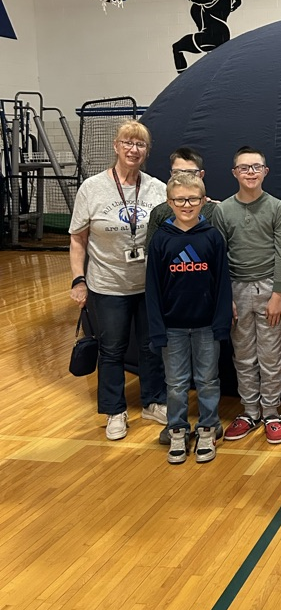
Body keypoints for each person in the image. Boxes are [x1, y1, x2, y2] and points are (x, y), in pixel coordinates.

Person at [69, 121, 168, 440]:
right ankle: (114, 410)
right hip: (107, 285)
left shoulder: (156, 187)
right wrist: (78, 280)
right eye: (128, 142)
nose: (133, 149)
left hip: (148, 285)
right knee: (111, 349)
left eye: (140, 145)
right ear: (115, 146)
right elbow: (77, 239)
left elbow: (182, 213)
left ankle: (153, 401)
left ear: (146, 152)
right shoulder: (92, 188)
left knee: (152, 346)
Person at [146, 172, 233, 465]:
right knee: (176, 382)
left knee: (208, 380)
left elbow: (223, 285)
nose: (187, 205)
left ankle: (208, 427)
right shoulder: (161, 240)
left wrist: (221, 322)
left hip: (207, 326)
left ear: (203, 201)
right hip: (173, 328)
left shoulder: (212, 238)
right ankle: (178, 429)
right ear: (170, 202)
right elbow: (153, 289)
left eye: (193, 199)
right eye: (180, 199)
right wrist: (157, 329)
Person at [213, 146, 281, 444]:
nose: (250, 172)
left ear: (265, 172)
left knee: (271, 356)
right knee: (244, 355)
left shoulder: (277, 208)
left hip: (269, 288)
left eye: (256, 167)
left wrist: (278, 294)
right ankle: (249, 411)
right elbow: (219, 255)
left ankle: (271, 412)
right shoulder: (223, 210)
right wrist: (226, 297)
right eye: (244, 168)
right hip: (236, 290)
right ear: (234, 172)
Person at [146, 146, 216, 249]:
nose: (184, 178)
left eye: (190, 173)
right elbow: (151, 254)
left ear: (201, 175)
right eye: (177, 173)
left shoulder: (215, 212)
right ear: (171, 174)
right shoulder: (159, 213)